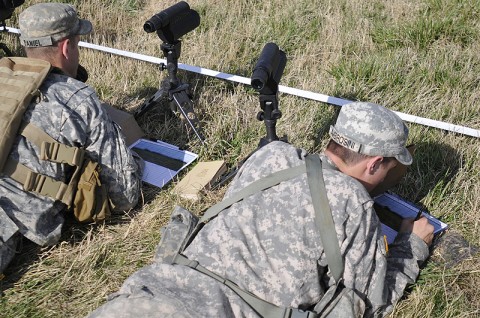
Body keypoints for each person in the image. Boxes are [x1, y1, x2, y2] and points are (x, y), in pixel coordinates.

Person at [88, 102, 434, 317]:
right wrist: (412, 245)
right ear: (374, 164)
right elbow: (370, 302)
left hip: (147, 296)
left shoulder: (272, 154)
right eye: (392, 167)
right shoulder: (352, 200)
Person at [0, 3, 143, 274]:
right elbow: (125, 197)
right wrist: (135, 160)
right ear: (67, 47)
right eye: (77, 44)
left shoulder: (4, 76)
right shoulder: (77, 98)